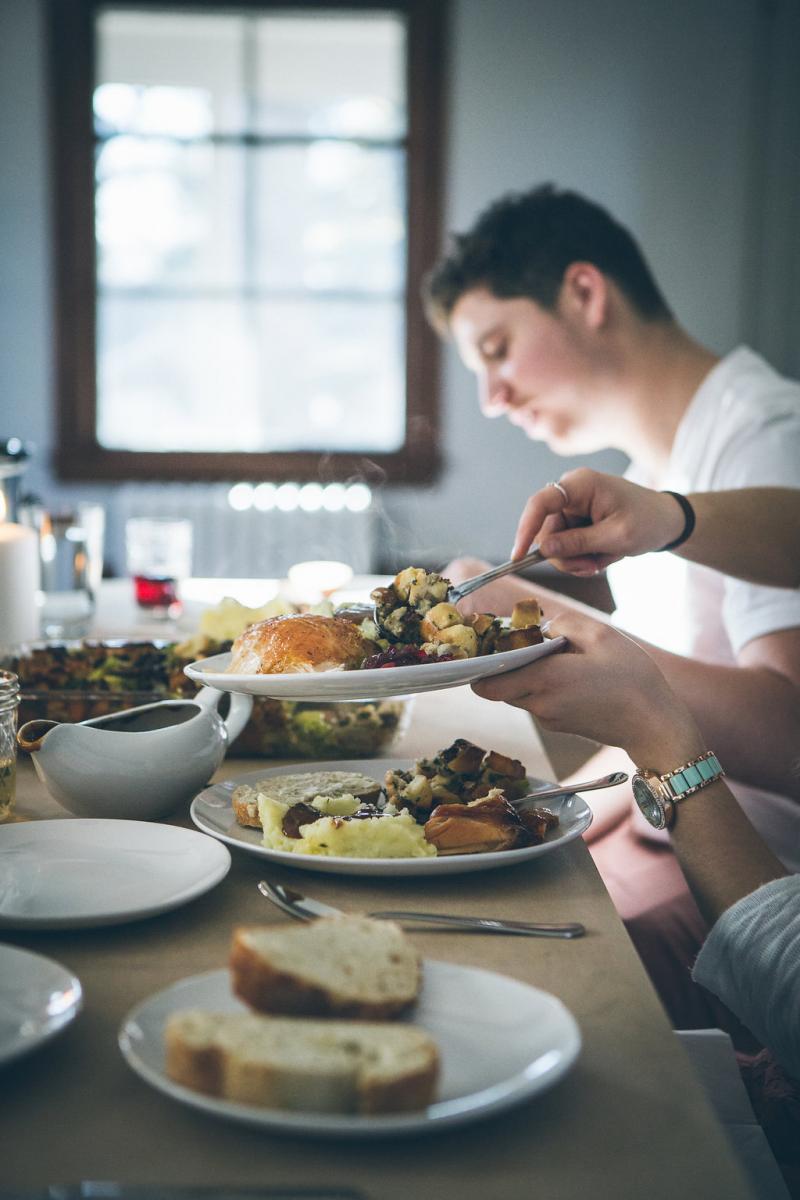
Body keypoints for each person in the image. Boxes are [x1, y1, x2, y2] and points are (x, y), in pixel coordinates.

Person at [423, 183, 800, 1034]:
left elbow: (789, 736)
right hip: (674, 827)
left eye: (498, 348)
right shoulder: (657, 461)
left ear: (585, 293)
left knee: (503, 981)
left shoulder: (764, 440)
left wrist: (563, 629)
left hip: (754, 869)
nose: (492, 397)